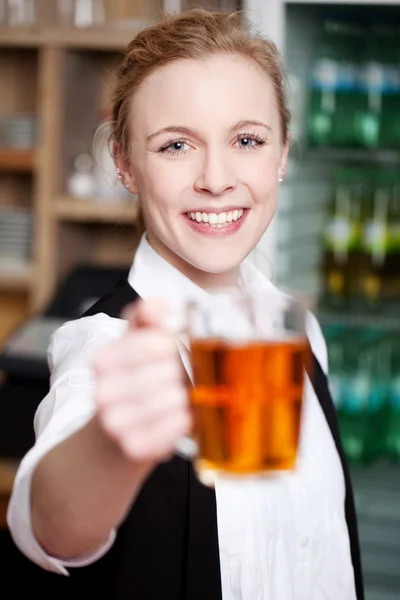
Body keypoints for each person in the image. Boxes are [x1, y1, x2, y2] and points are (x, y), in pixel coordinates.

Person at [7, 9, 364, 600]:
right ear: (125, 165)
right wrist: (112, 445)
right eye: (175, 146)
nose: (216, 178)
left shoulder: (299, 330)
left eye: (247, 139)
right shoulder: (104, 347)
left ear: (282, 153)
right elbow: (52, 527)